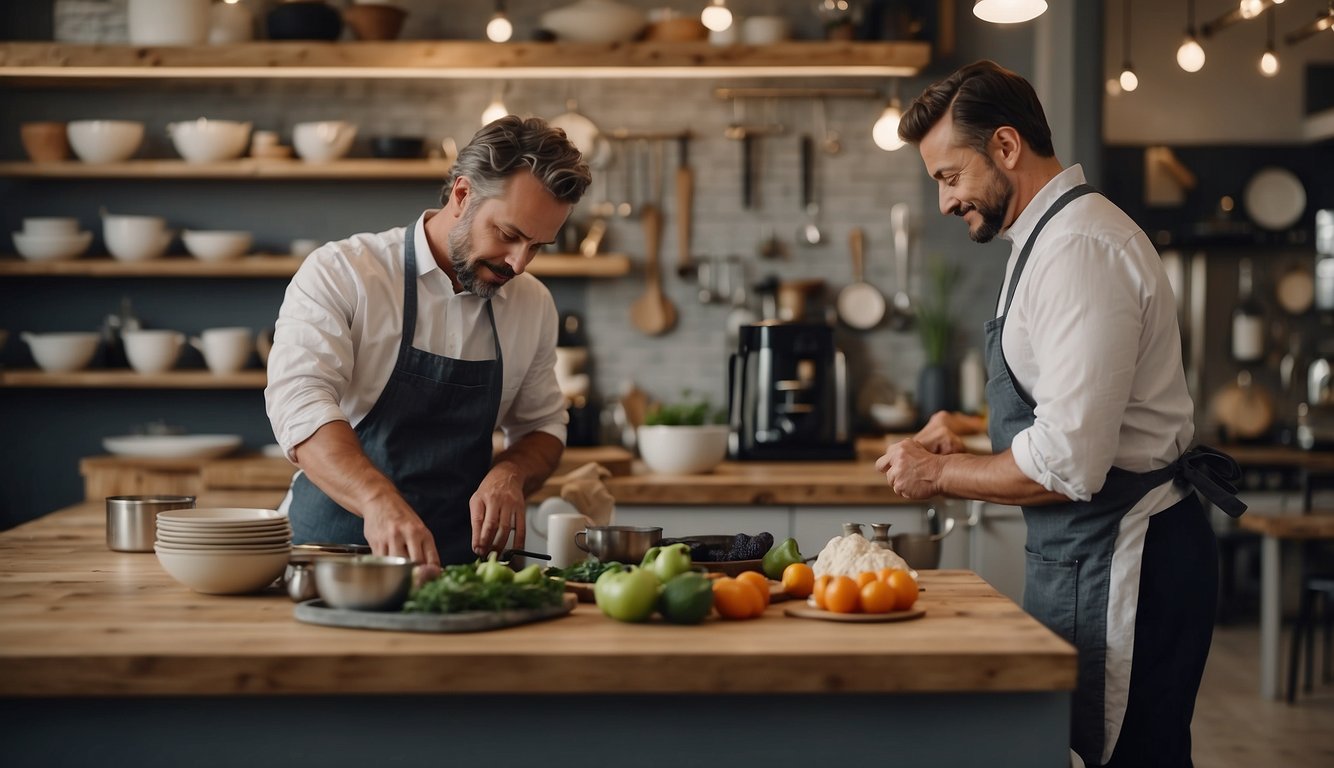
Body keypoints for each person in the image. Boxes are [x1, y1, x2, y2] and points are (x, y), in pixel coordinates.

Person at [876, 60, 1245, 767]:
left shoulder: (1079, 250)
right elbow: (1077, 417)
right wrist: (972, 437)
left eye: (949, 177)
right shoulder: (1046, 239)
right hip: (1088, 556)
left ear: (1007, 148)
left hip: (1127, 560)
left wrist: (939, 474)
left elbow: (1072, 463)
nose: (946, 203)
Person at [265, 115, 591, 567]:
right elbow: (300, 405)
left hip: (466, 571)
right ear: (462, 195)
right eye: (509, 235)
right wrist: (377, 500)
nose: (519, 264)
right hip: (331, 561)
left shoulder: (532, 304)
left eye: (537, 246)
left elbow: (542, 427)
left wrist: (510, 474)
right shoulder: (343, 273)